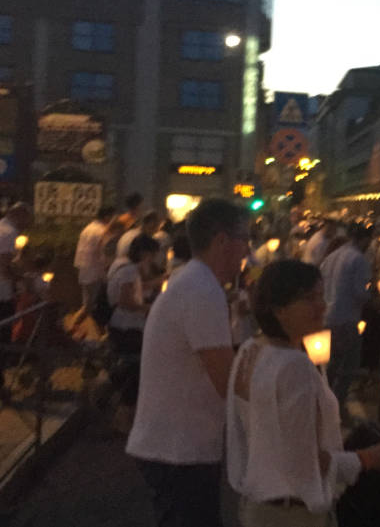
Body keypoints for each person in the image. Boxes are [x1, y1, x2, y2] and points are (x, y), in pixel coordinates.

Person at [226, 260, 380, 526]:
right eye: (309, 299)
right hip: (291, 511)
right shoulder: (294, 366)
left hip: (257, 504)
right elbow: (308, 461)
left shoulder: (250, 351)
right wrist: (367, 459)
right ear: (280, 309)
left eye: (320, 295)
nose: (321, 306)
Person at [126, 198, 250, 527]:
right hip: (179, 450)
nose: (247, 250)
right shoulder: (202, 290)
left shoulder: (193, 282)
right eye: (245, 239)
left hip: (173, 444)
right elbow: (227, 379)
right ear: (222, 241)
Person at [320, 223, 373, 419]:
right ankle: (336, 407)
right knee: (348, 367)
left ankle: (324, 404)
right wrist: (371, 293)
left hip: (326, 317)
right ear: (363, 239)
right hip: (347, 318)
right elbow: (360, 292)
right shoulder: (358, 259)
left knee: (329, 368)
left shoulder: (331, 257)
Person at [107, 235, 160, 418]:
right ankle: (123, 411)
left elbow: (134, 290)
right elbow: (126, 301)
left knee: (131, 368)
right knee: (133, 369)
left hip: (125, 325)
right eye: (153, 255)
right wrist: (151, 308)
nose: (154, 259)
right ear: (145, 254)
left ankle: (122, 409)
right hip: (126, 327)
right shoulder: (129, 271)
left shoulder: (128, 269)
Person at [74, 206, 117, 323]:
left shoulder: (87, 228)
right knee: (90, 306)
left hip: (83, 270)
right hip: (95, 272)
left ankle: (75, 328)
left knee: (87, 304)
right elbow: (104, 253)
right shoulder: (102, 231)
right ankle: (73, 327)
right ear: (107, 216)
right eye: (113, 218)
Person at [0, 203, 32, 341]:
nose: (27, 225)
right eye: (27, 220)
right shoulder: (9, 232)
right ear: (20, 215)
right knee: (4, 327)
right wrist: (20, 279)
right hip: (2, 289)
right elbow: (3, 264)